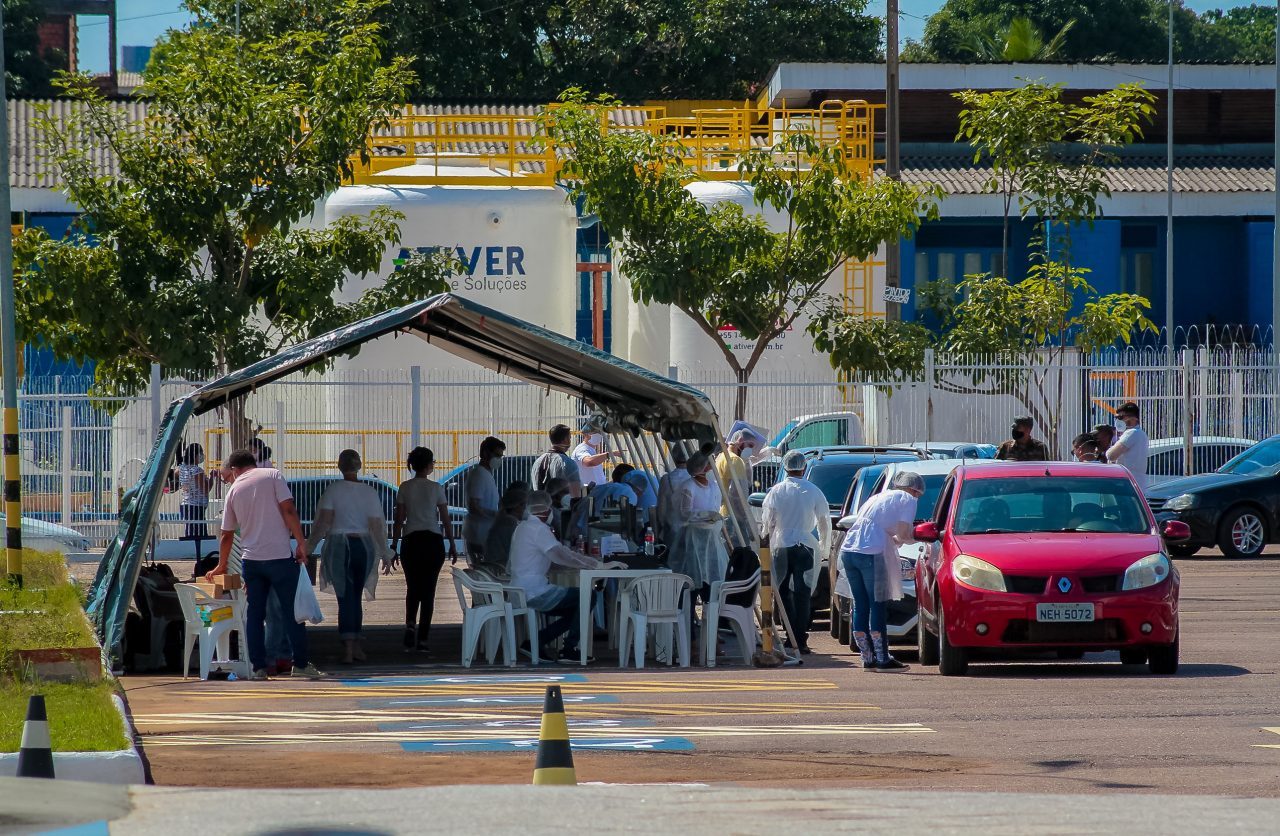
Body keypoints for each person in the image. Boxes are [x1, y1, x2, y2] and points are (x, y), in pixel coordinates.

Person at [205, 449, 321, 680]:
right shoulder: (272, 476)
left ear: (236, 469)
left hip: (252, 562)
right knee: (292, 612)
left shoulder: (234, 490)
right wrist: (301, 543)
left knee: (255, 615)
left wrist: (222, 565)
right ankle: (299, 664)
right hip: (279, 557)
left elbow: (226, 534)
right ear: (253, 463)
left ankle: (258, 667)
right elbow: (288, 510)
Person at [508, 490, 613, 663]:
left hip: (520, 589)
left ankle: (536, 642)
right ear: (546, 510)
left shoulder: (522, 527)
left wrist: (586, 561)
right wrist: (593, 564)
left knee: (577, 609)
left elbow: (557, 553)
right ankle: (569, 649)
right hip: (535, 592)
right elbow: (560, 555)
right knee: (588, 596)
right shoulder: (539, 529)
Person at [307, 450, 389, 665]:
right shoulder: (369, 492)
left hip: (338, 547)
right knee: (356, 596)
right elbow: (377, 525)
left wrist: (308, 547)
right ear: (359, 465)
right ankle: (356, 646)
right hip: (363, 547)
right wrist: (385, 552)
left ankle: (348, 648)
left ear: (339, 466)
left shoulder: (333, 490)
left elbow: (323, 523)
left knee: (345, 598)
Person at [838, 470, 924, 671]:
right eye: (919, 494)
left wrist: (895, 539)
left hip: (849, 549)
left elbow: (875, 525)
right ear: (914, 489)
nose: (918, 497)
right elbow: (903, 533)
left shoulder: (879, 496)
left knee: (860, 604)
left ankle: (867, 657)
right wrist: (916, 536)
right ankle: (883, 658)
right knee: (877, 603)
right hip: (871, 552)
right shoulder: (908, 499)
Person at [760, 450, 832, 654]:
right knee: (803, 593)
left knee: (782, 592)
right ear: (804, 467)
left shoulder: (776, 491)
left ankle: (789, 634)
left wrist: (766, 543)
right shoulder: (814, 491)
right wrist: (824, 548)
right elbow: (824, 522)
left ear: (784, 467)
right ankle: (800, 638)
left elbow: (768, 522)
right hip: (805, 545)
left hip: (781, 544)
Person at [393, 446, 455, 655]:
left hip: (411, 540)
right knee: (429, 590)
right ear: (429, 466)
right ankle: (423, 639)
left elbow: (399, 520)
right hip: (432, 541)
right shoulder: (436, 488)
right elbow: (445, 519)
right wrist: (453, 544)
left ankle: (410, 623)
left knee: (412, 587)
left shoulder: (405, 487)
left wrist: (394, 544)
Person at [670, 451, 727, 594]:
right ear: (703, 468)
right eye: (709, 465)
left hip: (711, 540)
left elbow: (716, 509)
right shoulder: (688, 487)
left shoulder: (714, 487)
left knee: (711, 579)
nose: (711, 468)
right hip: (692, 540)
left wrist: (713, 517)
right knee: (692, 580)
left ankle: (708, 613)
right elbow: (684, 514)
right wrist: (705, 515)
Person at [176, 443, 217, 576]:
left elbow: (177, 475)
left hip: (186, 504)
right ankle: (200, 568)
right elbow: (205, 490)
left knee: (193, 533)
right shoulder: (196, 470)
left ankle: (199, 565)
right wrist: (212, 478)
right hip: (196, 506)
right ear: (195, 455)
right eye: (200, 453)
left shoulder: (181, 468)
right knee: (199, 534)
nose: (202, 456)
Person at [462, 436, 504, 562]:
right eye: (497, 455)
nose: (499, 459)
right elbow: (474, 506)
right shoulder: (479, 474)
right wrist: (496, 516)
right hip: (478, 535)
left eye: (501, 456)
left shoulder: (486, 474)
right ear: (486, 453)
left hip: (483, 533)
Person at [1105, 402, 1150, 492]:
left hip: (1126, 482)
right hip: (1136, 481)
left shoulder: (1131, 433)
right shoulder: (1141, 434)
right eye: (1116, 418)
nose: (1117, 421)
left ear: (1133, 419)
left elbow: (1111, 455)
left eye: (1121, 418)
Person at [483, 485, 528, 572]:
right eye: (525, 505)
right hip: (501, 568)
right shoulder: (509, 523)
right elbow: (516, 551)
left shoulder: (505, 520)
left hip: (498, 565)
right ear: (517, 506)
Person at [532, 424, 581, 498]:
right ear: (565, 439)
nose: (570, 441)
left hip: (539, 505)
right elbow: (575, 494)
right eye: (569, 438)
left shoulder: (537, 461)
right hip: (562, 508)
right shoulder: (567, 462)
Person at [657, 446, 691, 546]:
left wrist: (663, 524)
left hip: (673, 530)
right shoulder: (695, 478)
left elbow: (661, 510)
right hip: (693, 531)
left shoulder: (666, 479)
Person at [714, 430, 754, 518]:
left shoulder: (722, 456)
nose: (751, 450)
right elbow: (738, 495)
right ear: (740, 441)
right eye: (750, 446)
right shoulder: (735, 460)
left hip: (723, 512)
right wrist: (744, 517)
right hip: (733, 516)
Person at [572, 426, 622, 490]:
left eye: (599, 432)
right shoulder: (582, 449)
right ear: (585, 434)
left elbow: (598, 480)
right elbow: (589, 462)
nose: (598, 434)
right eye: (595, 432)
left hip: (596, 491)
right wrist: (609, 454)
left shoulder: (592, 450)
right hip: (588, 493)